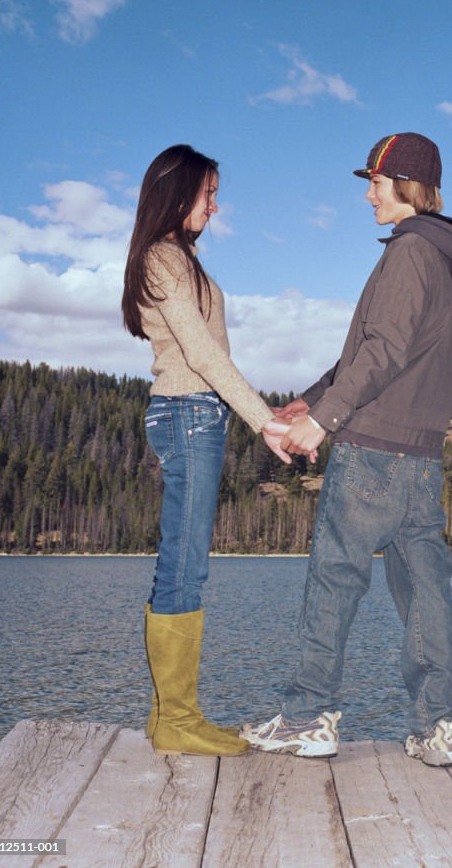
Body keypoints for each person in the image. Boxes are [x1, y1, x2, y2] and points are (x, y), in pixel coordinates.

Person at [242, 132, 452, 766]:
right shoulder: (432, 256)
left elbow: (384, 350)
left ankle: (306, 718)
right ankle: (437, 729)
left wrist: (324, 420)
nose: (368, 195)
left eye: (375, 183)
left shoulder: (408, 254)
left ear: (404, 185)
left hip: (373, 449)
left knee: (334, 578)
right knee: (425, 586)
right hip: (421, 457)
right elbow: (368, 351)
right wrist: (309, 399)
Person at [122, 143, 291, 757]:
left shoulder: (177, 257)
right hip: (189, 412)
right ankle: (177, 721)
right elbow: (200, 353)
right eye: (209, 194)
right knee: (184, 564)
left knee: (184, 561)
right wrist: (264, 422)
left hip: (196, 414)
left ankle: (170, 715)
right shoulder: (163, 259)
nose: (215, 207)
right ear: (179, 191)